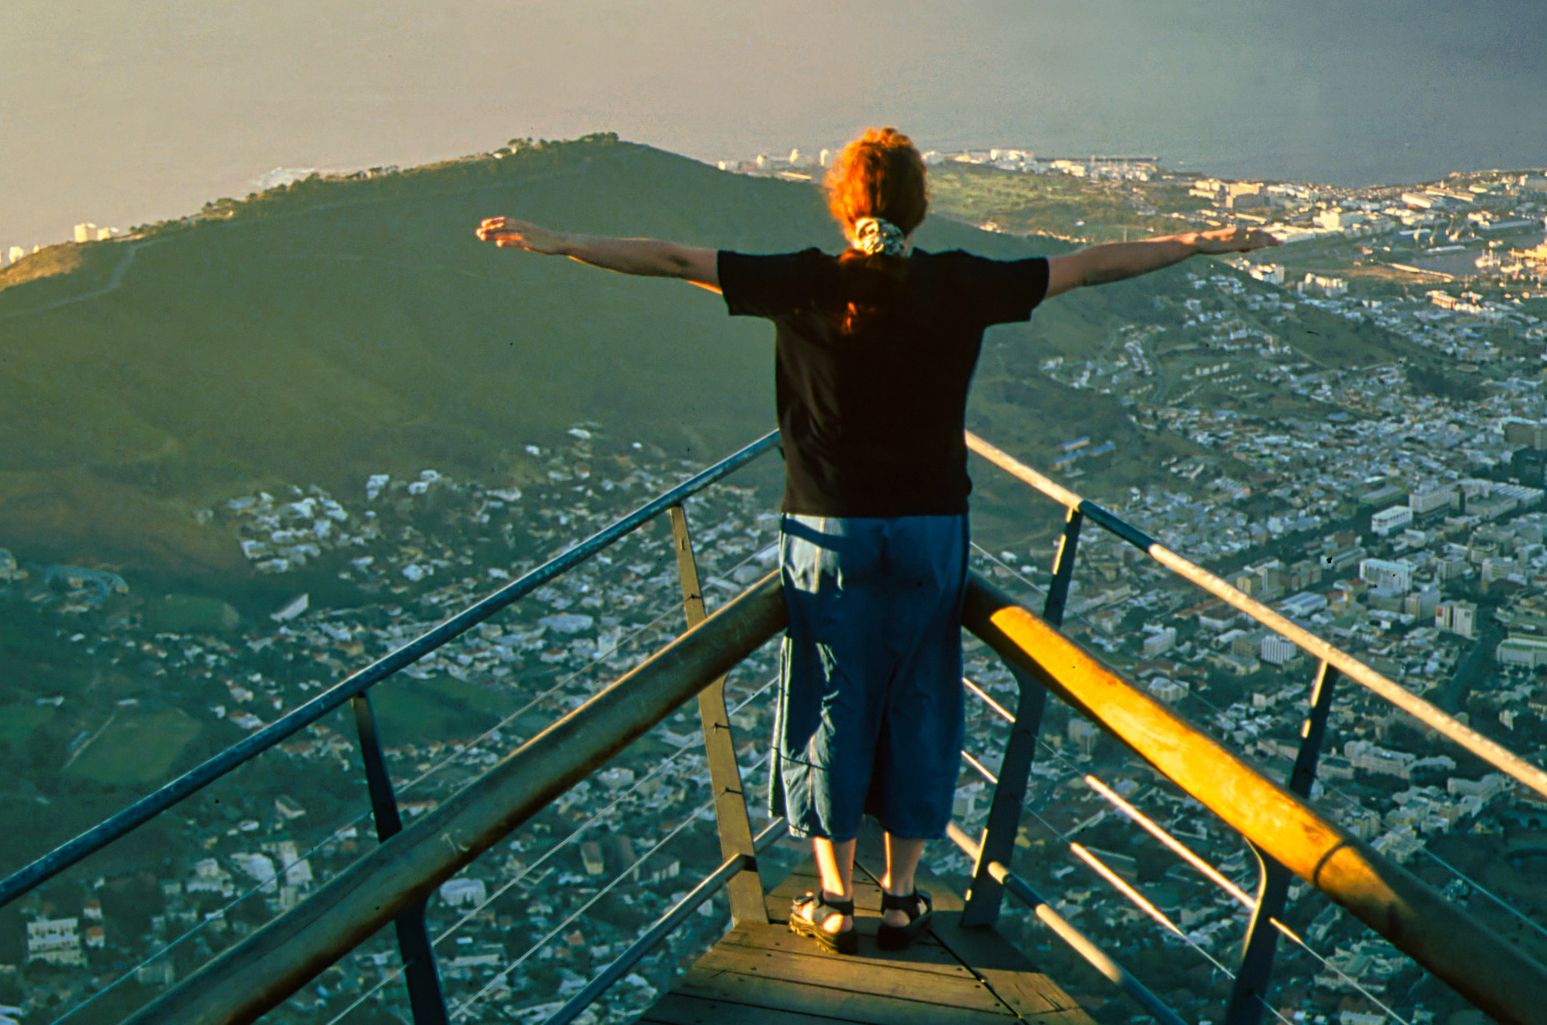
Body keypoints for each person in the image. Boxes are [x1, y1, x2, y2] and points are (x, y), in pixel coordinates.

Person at [477, 127, 1276, 954]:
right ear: (917, 207)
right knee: (920, 692)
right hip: (931, 528)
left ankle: (834, 898)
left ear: (843, 202)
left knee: (831, 696)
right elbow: (1088, 266)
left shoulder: (804, 282)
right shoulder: (960, 285)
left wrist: (563, 241)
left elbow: (674, 260)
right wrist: (1195, 241)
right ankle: (900, 899)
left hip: (828, 529)